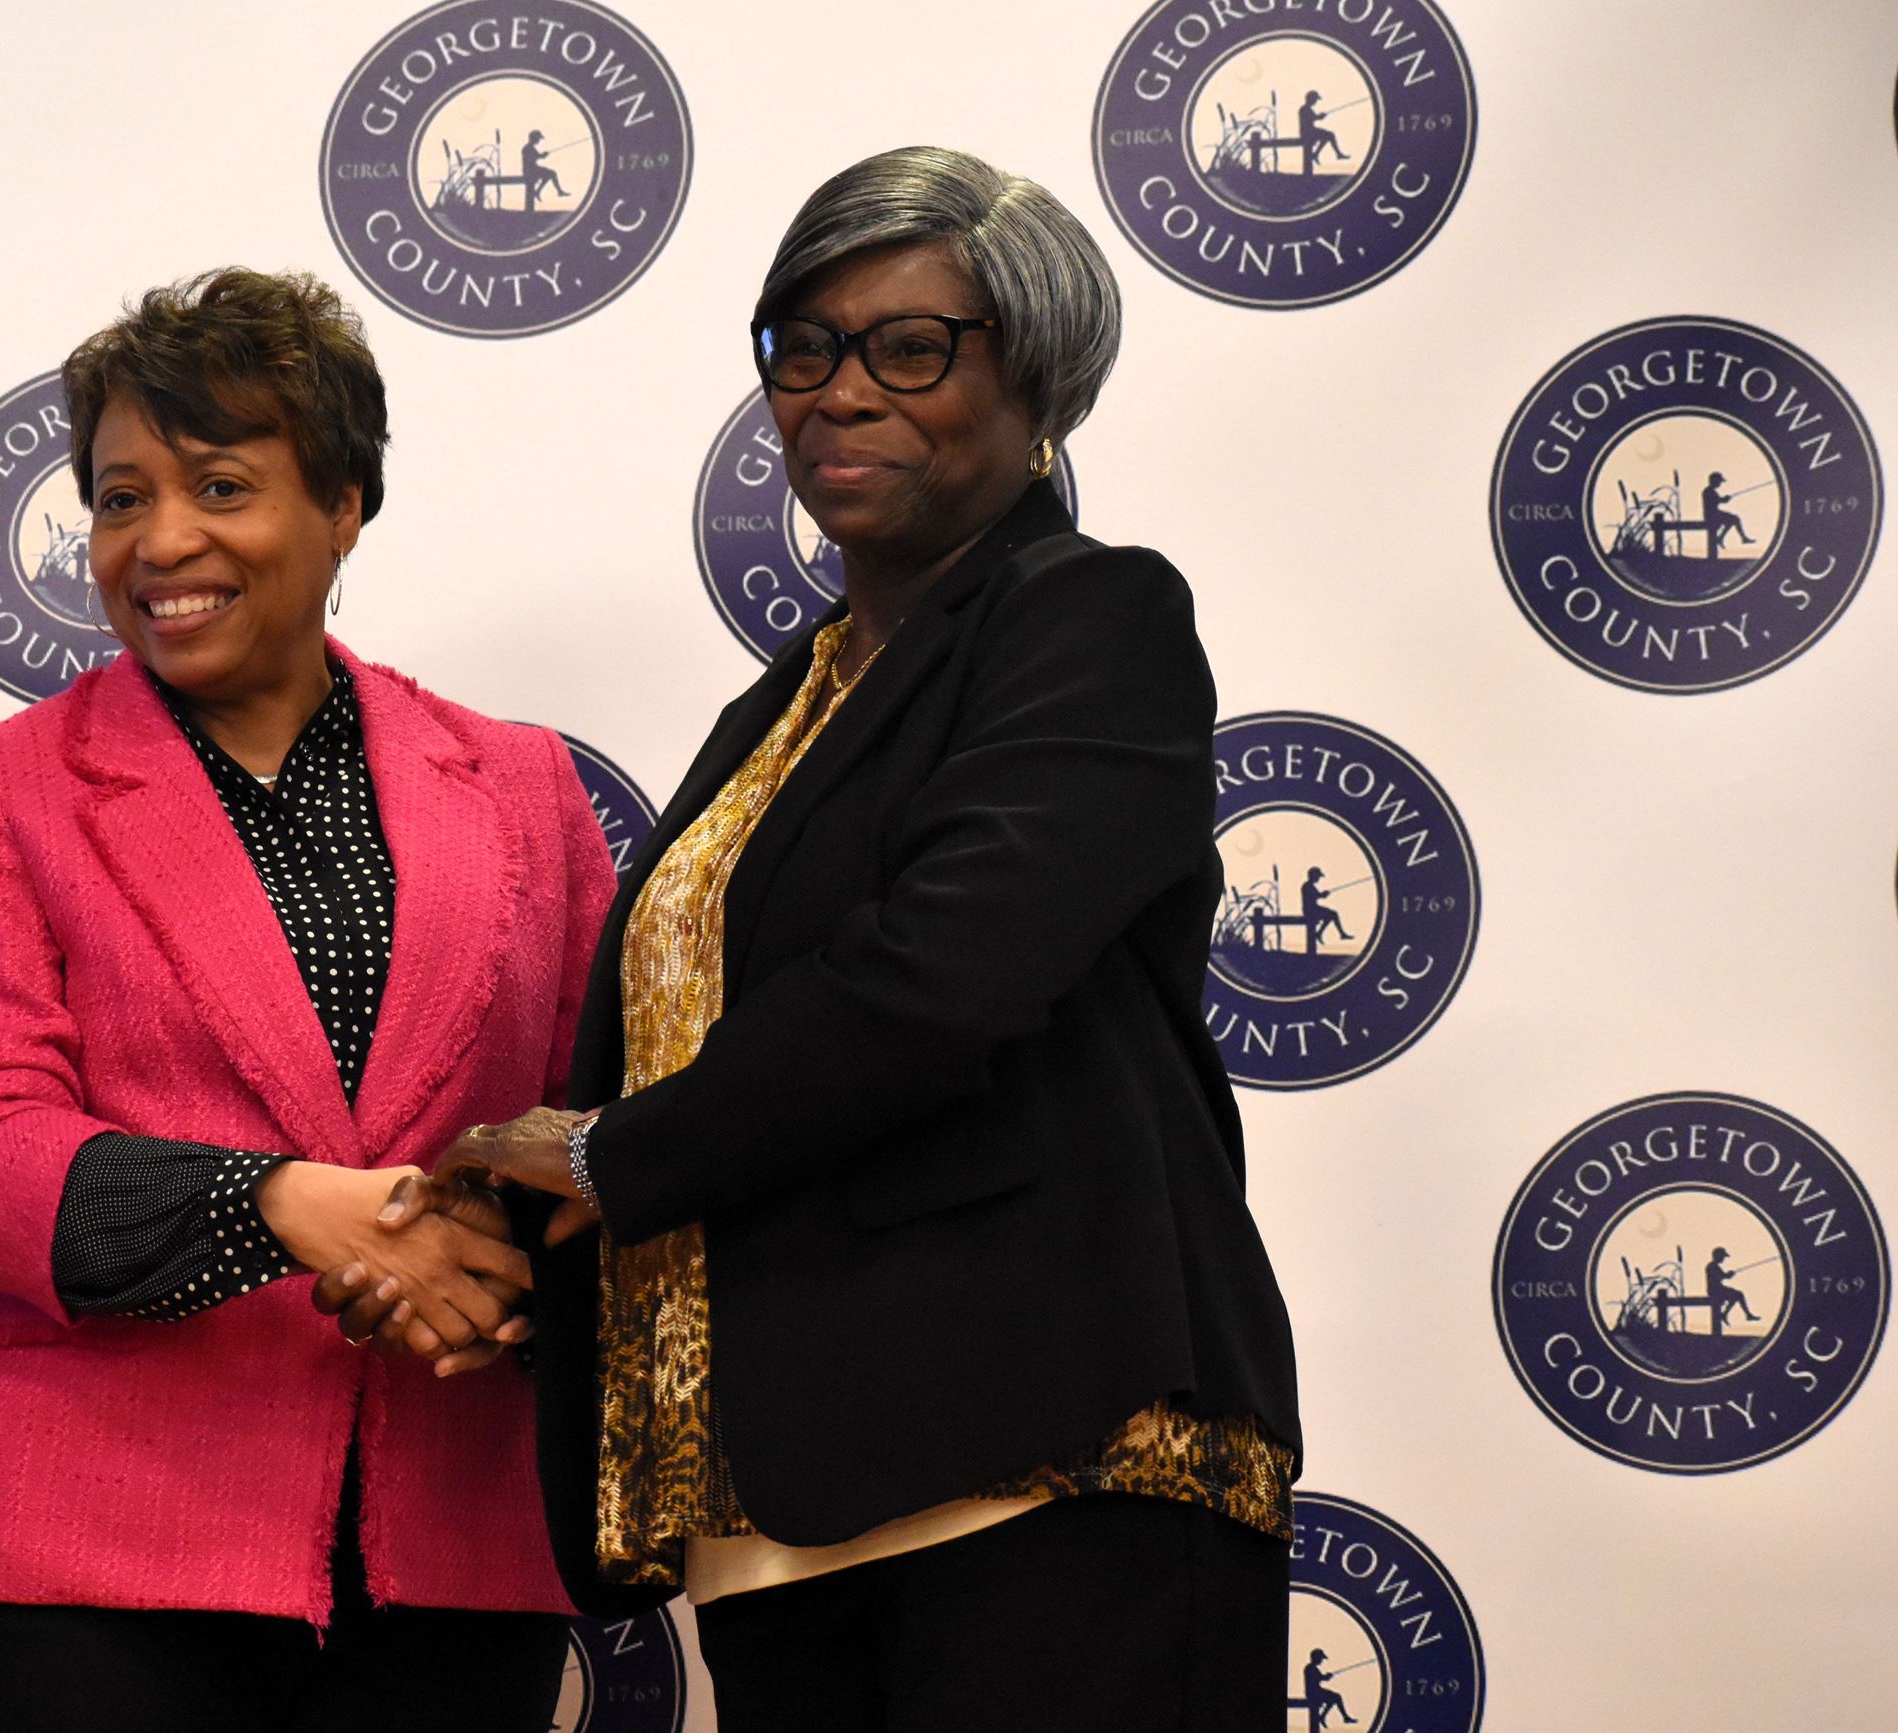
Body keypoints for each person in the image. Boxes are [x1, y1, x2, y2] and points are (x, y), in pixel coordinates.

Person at [326, 147, 1300, 1730]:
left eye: (913, 346)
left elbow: (938, 982)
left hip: (1048, 1468)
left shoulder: (1094, 618)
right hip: (789, 1521)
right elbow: (708, 1059)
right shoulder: (781, 706)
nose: (842, 391)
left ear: (1039, 381)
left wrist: (607, 1161)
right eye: (806, 345)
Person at [0, 268, 617, 1733]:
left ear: (343, 504)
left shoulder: (526, 787)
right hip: (68, 1571)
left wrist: (498, 1251)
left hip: (451, 1560)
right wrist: (278, 1200)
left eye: (220, 483)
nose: (161, 541)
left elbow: (597, 1124)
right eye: (120, 495)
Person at [1302, 1648, 1355, 1728]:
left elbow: (1320, 1678)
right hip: (1314, 1693)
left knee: (1333, 1699)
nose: (1322, 1660)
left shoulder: (1311, 1668)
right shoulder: (1310, 1668)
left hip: (1314, 1692)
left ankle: (1323, 1717)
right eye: (1321, 1658)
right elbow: (1319, 1678)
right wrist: (1326, 1676)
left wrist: (1326, 1676)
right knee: (1337, 1697)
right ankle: (1344, 1717)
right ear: (1316, 1657)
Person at [1707, 1246, 1758, 1328]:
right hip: (1715, 1291)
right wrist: (1728, 1275)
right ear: (1718, 1256)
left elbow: (1722, 1276)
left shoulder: (1713, 1266)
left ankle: (1725, 1314)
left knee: (1736, 1295)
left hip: (1717, 1289)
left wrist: (1728, 1275)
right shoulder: (1712, 1266)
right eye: (1723, 1256)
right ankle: (1746, 1315)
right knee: (1739, 1294)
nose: (1724, 1259)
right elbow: (1721, 1276)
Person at [1301, 866, 1352, 947]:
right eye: (1318, 876)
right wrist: (1323, 894)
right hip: (1310, 911)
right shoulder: (1307, 886)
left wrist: (1323, 894)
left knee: (1331, 915)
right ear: (1313, 876)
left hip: (1312, 909)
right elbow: (1317, 896)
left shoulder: (1309, 886)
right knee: (1333, 914)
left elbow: (1318, 896)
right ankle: (1340, 934)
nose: (1319, 879)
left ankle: (1320, 933)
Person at [1298, 91, 1348, 171]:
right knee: (1330, 135)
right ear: (1311, 99)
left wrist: (1319, 116)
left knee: (1327, 136)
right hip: (1307, 133)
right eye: (1315, 99)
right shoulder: (1304, 109)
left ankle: (1316, 154)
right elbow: (1311, 119)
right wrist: (1319, 116)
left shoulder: (1307, 109)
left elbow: (1314, 118)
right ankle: (1337, 154)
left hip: (1309, 131)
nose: (1316, 102)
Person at [1703, 471, 1751, 554]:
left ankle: (1721, 538)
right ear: (1714, 481)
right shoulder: (1708, 491)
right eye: (1719, 481)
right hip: (1712, 515)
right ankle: (1742, 538)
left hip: (1713, 514)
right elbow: (1714, 502)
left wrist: (1724, 499)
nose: (1720, 483)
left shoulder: (1710, 491)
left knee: (1732, 520)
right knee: (1735, 519)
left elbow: (1718, 501)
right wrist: (1724, 499)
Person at [519, 130, 568, 207]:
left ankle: (539, 191)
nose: (539, 141)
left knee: (549, 174)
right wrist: (542, 155)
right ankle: (558, 191)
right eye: (538, 139)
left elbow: (536, 156)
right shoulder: (527, 148)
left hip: (531, 169)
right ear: (534, 138)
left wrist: (542, 155)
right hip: (530, 171)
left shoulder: (529, 147)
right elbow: (532, 158)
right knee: (552, 173)